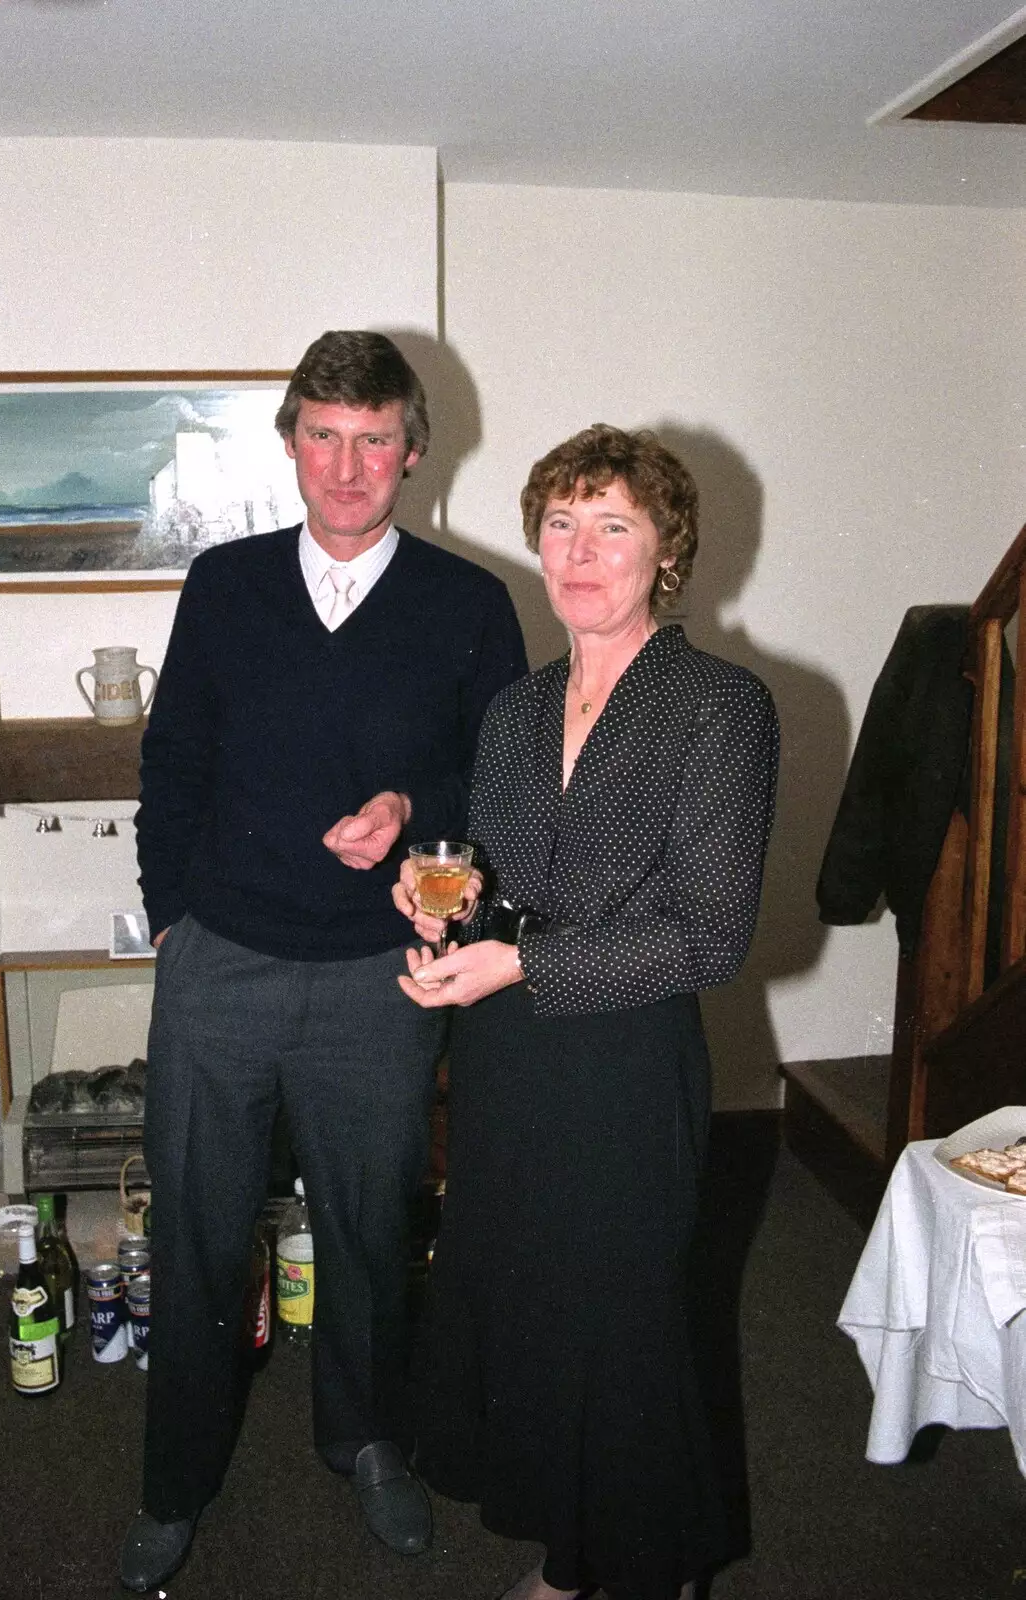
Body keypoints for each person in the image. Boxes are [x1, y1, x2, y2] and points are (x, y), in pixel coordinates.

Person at [120, 331, 527, 1592]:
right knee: (194, 1232)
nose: (347, 466)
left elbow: (506, 781)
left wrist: (411, 803)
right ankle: (175, 1477)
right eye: (324, 436)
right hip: (222, 962)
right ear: (292, 442)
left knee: (365, 1230)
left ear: (414, 451)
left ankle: (364, 1440)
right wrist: (173, 919)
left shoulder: (469, 604)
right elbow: (172, 764)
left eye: (374, 439)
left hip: (375, 979)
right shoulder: (225, 585)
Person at [393, 424, 780, 1600]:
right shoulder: (515, 708)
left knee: (625, 1335)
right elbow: (506, 886)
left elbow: (707, 935)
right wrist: (438, 903)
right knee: (534, 1319)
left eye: (612, 523)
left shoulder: (720, 705)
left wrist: (518, 965)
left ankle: (651, 1570)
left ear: (665, 551)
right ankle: (572, 1558)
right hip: (511, 1067)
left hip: (621, 1062)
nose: (580, 548)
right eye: (561, 522)